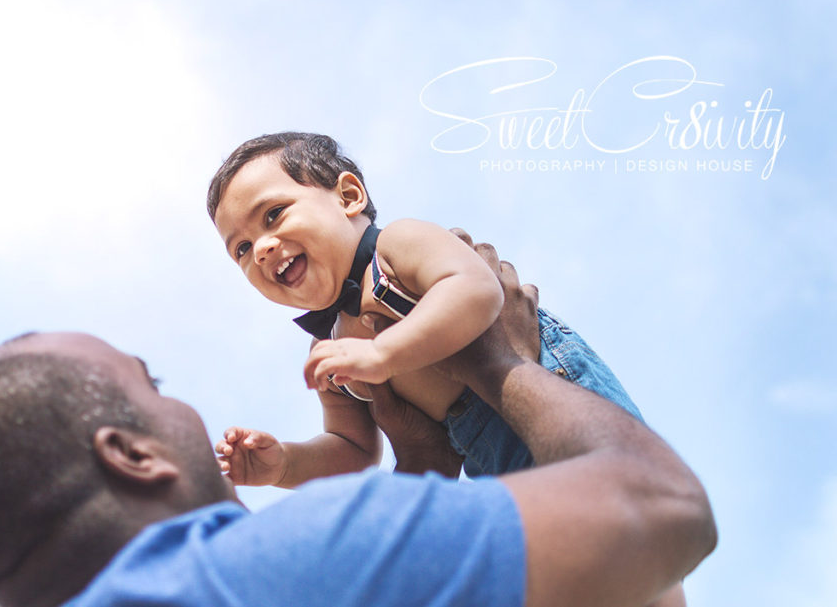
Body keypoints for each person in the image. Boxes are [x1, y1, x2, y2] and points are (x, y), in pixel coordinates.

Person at [0, 240, 715, 607]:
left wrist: (423, 457)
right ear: (129, 453)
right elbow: (665, 509)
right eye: (151, 384)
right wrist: (494, 363)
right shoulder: (258, 568)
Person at [208, 132, 643, 484]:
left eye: (274, 215)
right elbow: (352, 448)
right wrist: (284, 463)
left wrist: (383, 353)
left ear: (348, 196)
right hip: (493, 462)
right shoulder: (331, 349)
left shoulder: (395, 248)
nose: (261, 249)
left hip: (558, 393)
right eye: (242, 248)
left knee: (624, 497)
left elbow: (476, 290)